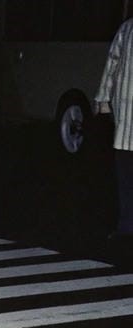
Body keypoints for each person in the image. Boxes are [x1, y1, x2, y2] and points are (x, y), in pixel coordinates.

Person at [94, 17, 133, 240]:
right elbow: (112, 63)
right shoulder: (127, 28)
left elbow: (112, 63)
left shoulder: (127, 27)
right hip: (125, 121)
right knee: (125, 176)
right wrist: (103, 98)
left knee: (126, 177)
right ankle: (127, 225)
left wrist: (103, 99)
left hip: (125, 123)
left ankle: (127, 225)